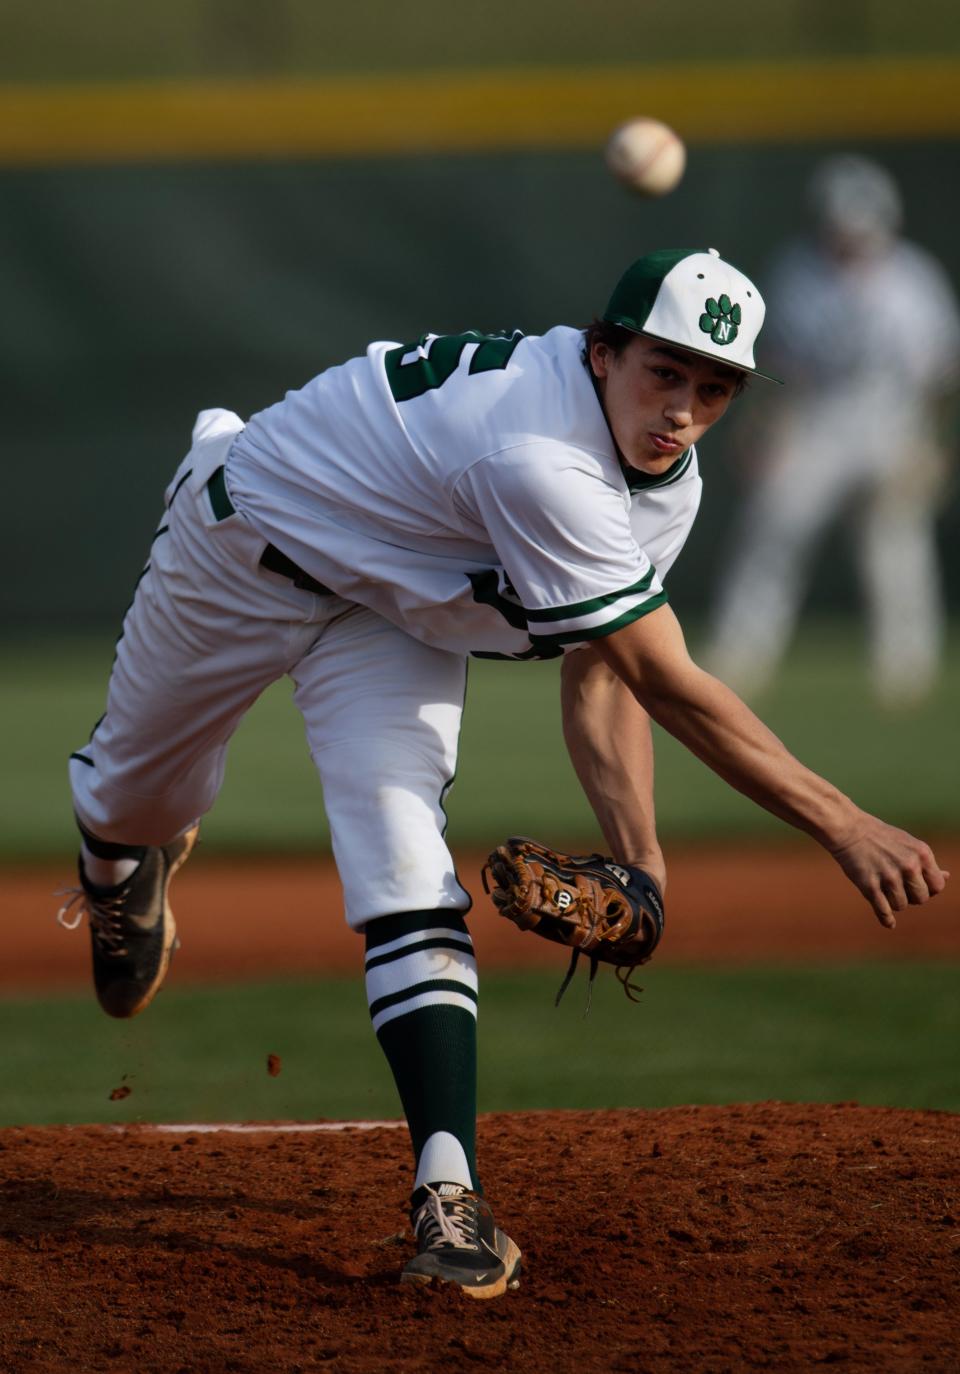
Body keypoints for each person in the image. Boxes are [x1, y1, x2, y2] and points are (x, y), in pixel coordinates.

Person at [58, 246, 948, 1299]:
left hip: (394, 609)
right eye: (664, 372)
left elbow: (607, 679)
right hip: (248, 540)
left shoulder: (666, 484)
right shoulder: (540, 454)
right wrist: (842, 821)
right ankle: (122, 873)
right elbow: (670, 684)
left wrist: (643, 866)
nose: (684, 409)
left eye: (715, 388)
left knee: (402, 858)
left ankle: (450, 1201)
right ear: (603, 352)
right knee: (135, 800)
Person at [704, 156, 960, 705]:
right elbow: (780, 363)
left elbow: (940, 373)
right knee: (773, 528)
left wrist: (933, 445)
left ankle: (905, 668)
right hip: (818, 419)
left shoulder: (912, 280)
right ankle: (740, 655)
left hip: (891, 418)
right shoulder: (799, 272)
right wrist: (764, 428)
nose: (848, 240)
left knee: (893, 544)